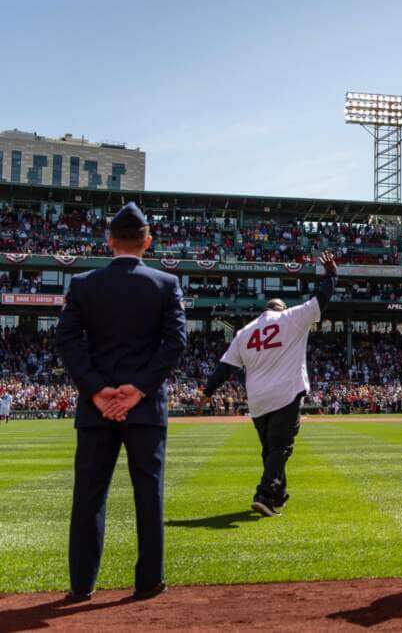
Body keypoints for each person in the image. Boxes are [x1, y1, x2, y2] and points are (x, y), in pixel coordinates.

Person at [55, 202, 187, 603]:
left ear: (109, 241)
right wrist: (139, 389)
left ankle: (82, 584)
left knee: (89, 497)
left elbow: (67, 341)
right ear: (147, 242)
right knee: (149, 496)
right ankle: (148, 582)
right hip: (145, 409)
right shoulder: (166, 284)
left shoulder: (83, 285)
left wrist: (97, 390)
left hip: (97, 410)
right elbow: (176, 344)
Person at [202, 251, 337, 517]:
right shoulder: (291, 318)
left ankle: (277, 496)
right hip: (285, 394)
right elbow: (321, 299)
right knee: (281, 448)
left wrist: (207, 392)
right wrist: (331, 275)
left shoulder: (245, 332)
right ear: (281, 308)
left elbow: (224, 368)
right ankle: (264, 493)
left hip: (258, 400)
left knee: (271, 450)